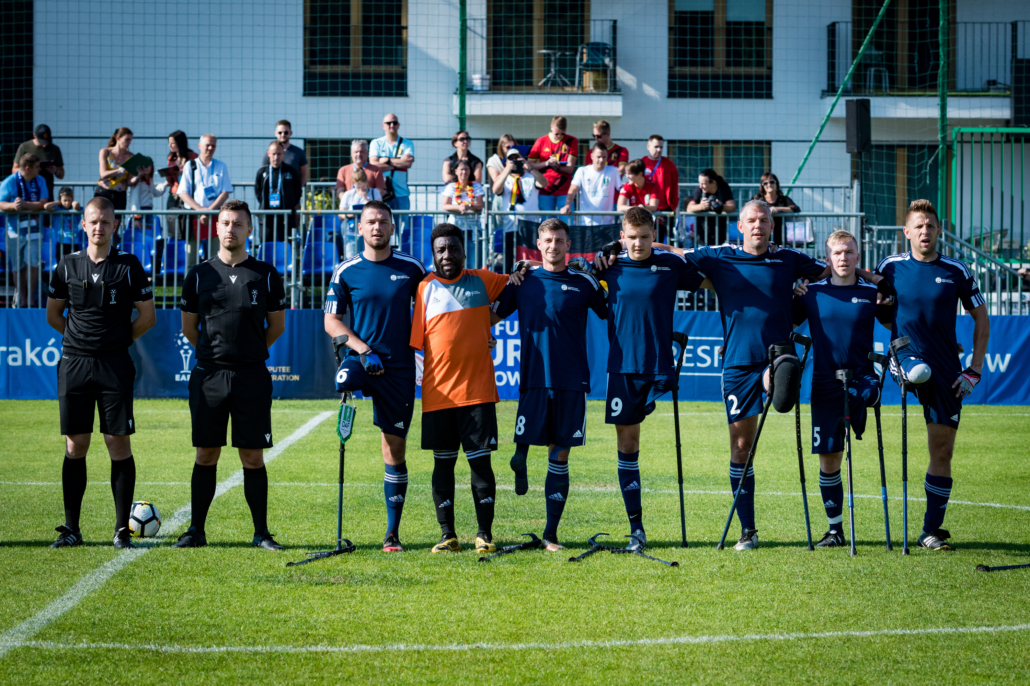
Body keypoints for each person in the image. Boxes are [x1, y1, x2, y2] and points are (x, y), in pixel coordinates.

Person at [874, 199, 990, 551]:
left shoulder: (957, 270)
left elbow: (981, 319)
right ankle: (899, 366)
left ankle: (930, 531)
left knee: (942, 451)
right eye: (918, 226)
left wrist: (974, 370)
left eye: (930, 226)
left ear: (939, 230)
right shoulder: (890, 267)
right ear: (907, 232)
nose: (925, 231)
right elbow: (879, 309)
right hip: (906, 354)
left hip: (946, 368)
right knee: (917, 370)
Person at [174, 200, 288, 550]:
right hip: (209, 376)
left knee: (252, 456)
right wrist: (216, 355)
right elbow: (190, 328)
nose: (230, 229)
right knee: (206, 454)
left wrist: (248, 352)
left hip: (251, 376)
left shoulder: (266, 274)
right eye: (225, 222)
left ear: (249, 230)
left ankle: (261, 533)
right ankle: (196, 531)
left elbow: (277, 326)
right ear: (217, 227)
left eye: (238, 224)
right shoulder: (199, 274)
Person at [44, 196, 157, 548]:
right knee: (75, 444)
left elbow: (147, 317)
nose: (99, 227)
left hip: (114, 364)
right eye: (93, 221)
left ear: (115, 225)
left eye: (105, 221)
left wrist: (116, 341)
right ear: (83, 224)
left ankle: (122, 530)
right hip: (74, 363)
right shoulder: (67, 265)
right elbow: (53, 315)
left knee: (117, 443)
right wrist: (79, 341)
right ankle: (71, 529)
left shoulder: (129, 265)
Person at [591, 207, 704, 550]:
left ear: (654, 236)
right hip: (622, 367)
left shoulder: (670, 265)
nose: (638, 243)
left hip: (658, 367)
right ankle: (636, 528)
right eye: (632, 237)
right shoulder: (609, 266)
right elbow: (578, 277)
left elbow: (709, 277)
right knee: (628, 447)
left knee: (644, 424)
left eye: (644, 237)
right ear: (622, 237)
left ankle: (651, 399)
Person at [493, 219, 608, 550]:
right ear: (539, 245)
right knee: (531, 435)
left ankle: (550, 535)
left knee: (560, 455)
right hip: (534, 378)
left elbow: (610, 309)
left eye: (559, 240)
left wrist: (601, 273)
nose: (553, 246)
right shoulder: (522, 281)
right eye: (548, 240)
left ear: (568, 245)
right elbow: (490, 316)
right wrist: (483, 336)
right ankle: (520, 457)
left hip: (572, 381)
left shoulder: (583, 282)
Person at [410, 223, 521, 554]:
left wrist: (488, 323)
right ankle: (448, 535)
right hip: (438, 395)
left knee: (480, 465)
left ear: (464, 251)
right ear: (433, 255)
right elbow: (417, 345)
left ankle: (484, 534)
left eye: (453, 248)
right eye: (441, 250)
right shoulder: (424, 288)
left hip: (478, 393)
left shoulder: (482, 280)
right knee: (442, 465)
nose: (448, 255)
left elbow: (517, 284)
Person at [324, 200, 428, 552]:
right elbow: (332, 321)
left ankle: (392, 533)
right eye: (370, 222)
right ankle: (348, 412)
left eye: (383, 221)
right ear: (359, 228)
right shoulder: (346, 270)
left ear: (392, 227)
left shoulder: (412, 268)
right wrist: (363, 350)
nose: (377, 227)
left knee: (394, 446)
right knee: (343, 380)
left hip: (399, 369)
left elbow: (435, 307)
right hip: (363, 358)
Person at [792, 230, 893, 547]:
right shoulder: (810, 293)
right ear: (827, 259)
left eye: (849, 252)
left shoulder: (871, 293)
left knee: (867, 394)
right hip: (824, 384)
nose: (843, 258)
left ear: (858, 257)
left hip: (862, 379)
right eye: (837, 253)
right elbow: (783, 323)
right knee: (829, 459)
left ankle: (864, 402)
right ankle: (835, 531)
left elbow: (898, 320)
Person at [0, 154, 49, 307]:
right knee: (18, 267)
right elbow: (1, 203)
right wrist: (13, 206)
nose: (40, 169)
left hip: (34, 231)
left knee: (33, 265)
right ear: (28, 168)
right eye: (37, 166)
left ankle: (30, 300)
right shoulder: (9, 182)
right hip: (14, 231)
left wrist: (26, 205)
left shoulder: (40, 180)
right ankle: (22, 299)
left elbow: (43, 203)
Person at [178, 134, 232, 266]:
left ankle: (214, 280)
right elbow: (182, 192)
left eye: (213, 145)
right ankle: (191, 280)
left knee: (216, 257)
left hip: (215, 216)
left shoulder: (221, 166)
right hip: (194, 216)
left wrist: (209, 211)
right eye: (207, 145)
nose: (210, 148)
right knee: (191, 257)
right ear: (199, 146)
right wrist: (200, 210)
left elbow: (225, 192)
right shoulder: (190, 165)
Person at [492, 148, 547, 272]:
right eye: (511, 159)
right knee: (509, 260)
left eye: (517, 158)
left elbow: (544, 183)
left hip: (530, 226)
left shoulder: (530, 177)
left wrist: (530, 168)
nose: (514, 161)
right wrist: (507, 170)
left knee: (530, 260)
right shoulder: (504, 178)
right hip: (510, 227)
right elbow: (496, 190)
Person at [371, 113, 415, 233]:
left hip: (401, 194)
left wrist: (386, 160)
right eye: (388, 123)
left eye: (394, 123)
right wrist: (399, 162)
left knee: (403, 230)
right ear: (383, 126)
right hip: (382, 193)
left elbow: (408, 164)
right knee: (381, 229)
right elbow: (374, 165)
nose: (391, 125)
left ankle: (401, 247)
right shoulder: (376, 143)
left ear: (398, 125)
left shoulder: (407, 143)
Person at [560, 143, 621, 226]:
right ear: (592, 156)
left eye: (604, 157)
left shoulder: (613, 171)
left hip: (607, 223)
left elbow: (621, 190)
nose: (601, 160)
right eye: (598, 157)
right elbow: (573, 189)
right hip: (585, 222)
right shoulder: (582, 171)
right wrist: (567, 205)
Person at [254, 141, 302, 242]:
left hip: (286, 216)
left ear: (283, 153)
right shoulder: (262, 173)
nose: (276, 157)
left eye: (279, 154)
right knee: (266, 245)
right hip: (267, 217)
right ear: (268, 154)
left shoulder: (291, 172)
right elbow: (258, 192)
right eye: (273, 154)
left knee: (287, 245)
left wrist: (289, 204)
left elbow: (297, 191)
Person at [528, 116, 578, 212]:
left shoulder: (572, 141)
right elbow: (530, 165)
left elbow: (570, 168)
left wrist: (557, 166)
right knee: (547, 221)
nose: (559, 136)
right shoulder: (541, 141)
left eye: (562, 134)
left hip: (565, 191)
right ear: (551, 127)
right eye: (556, 134)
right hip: (545, 190)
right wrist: (547, 163)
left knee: (565, 220)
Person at [96, 127, 150, 212]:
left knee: (117, 219)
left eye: (130, 140)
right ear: (118, 138)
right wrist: (120, 170)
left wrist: (139, 176)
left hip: (120, 194)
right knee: (102, 217)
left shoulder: (131, 157)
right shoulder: (105, 152)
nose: (129, 143)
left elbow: (128, 182)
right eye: (127, 140)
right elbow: (103, 174)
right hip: (104, 191)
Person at [441, 159, 485, 262]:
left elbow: (480, 205)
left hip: (472, 229)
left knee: (473, 261)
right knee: (455, 260)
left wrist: (469, 206)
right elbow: (445, 205)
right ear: (456, 171)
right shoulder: (451, 186)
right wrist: (459, 207)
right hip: (455, 229)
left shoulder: (476, 186)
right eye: (461, 169)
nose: (464, 172)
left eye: (466, 169)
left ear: (470, 171)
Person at [338, 168, 384, 258]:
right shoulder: (347, 195)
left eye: (363, 186)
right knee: (351, 258)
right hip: (351, 232)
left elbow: (381, 211)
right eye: (358, 187)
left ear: (367, 182)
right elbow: (341, 215)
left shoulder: (375, 193)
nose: (361, 189)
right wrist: (351, 214)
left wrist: (366, 199)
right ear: (353, 183)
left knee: (370, 258)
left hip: (370, 233)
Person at [641, 135, 680, 241]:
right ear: (648, 146)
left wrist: (673, 205)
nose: (659, 150)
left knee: (666, 242)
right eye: (656, 147)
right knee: (646, 240)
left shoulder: (669, 165)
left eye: (661, 147)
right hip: (646, 209)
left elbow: (675, 187)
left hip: (665, 211)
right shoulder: (641, 163)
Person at [13, 124, 64, 200]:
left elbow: (62, 174)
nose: (44, 145)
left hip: (47, 191)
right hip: (27, 191)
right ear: (34, 135)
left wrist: (56, 171)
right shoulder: (24, 147)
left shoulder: (55, 149)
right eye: (41, 142)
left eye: (46, 141)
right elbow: (14, 170)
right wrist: (29, 170)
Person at [687, 168, 737, 245]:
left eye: (703, 184)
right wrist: (701, 206)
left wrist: (721, 206)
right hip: (702, 238)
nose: (700, 186)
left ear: (713, 182)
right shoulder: (699, 190)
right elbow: (689, 208)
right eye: (699, 183)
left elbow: (732, 207)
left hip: (720, 237)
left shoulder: (723, 188)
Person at [165, 131, 198, 241]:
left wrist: (183, 172)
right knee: (172, 223)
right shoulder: (171, 157)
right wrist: (168, 173)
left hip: (188, 195)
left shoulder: (193, 156)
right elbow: (170, 181)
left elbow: (197, 177)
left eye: (172, 143)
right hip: (174, 194)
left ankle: (188, 247)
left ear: (180, 143)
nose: (169, 146)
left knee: (187, 225)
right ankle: (175, 247)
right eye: (169, 143)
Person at [751, 172, 800, 245]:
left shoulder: (783, 199)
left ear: (776, 184)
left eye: (772, 182)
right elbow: (748, 209)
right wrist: (766, 211)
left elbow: (796, 209)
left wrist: (778, 209)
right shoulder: (758, 198)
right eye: (765, 183)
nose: (769, 185)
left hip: (779, 233)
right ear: (762, 186)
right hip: (761, 231)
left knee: (778, 251)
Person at [261, 120, 309, 186]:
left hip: (291, 191)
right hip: (272, 190)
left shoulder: (299, 152)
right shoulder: (269, 153)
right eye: (280, 132)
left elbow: (304, 175)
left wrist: (297, 190)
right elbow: (263, 174)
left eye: (286, 132)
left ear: (290, 133)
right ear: (275, 133)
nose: (283, 135)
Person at [44, 186, 82, 261]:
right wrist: (59, 202)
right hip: (61, 244)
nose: (67, 203)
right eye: (65, 200)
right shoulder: (58, 209)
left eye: (69, 200)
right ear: (60, 199)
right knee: (61, 265)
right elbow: (46, 206)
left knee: (74, 265)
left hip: (74, 244)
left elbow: (76, 205)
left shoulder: (75, 209)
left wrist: (72, 201)